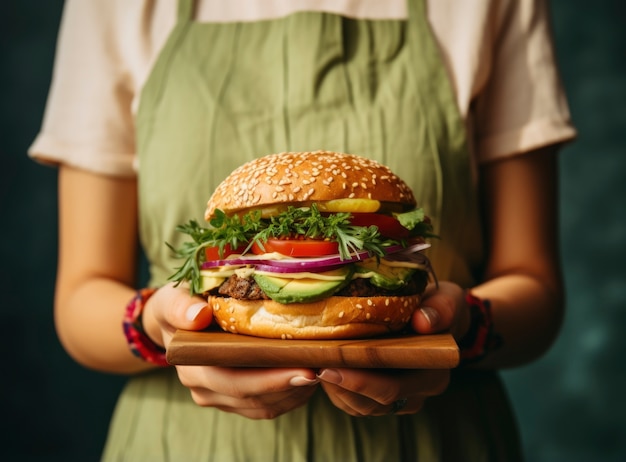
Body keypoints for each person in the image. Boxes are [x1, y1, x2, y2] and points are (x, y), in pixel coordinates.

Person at [29, 0, 576, 460]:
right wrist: (154, 323)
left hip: (437, 440)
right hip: (188, 443)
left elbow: (535, 288)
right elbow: (81, 298)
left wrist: (464, 324)